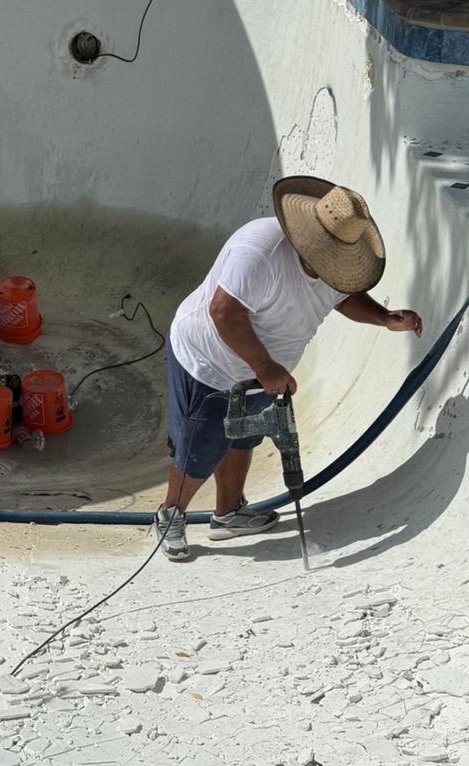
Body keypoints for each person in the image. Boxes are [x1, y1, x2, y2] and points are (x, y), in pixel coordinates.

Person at [155, 175, 422, 561]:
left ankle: (228, 514)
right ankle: (171, 514)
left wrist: (384, 317)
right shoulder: (258, 252)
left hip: (262, 375)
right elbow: (223, 312)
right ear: (306, 240)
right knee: (201, 447)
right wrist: (265, 367)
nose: (334, 269)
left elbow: (343, 296)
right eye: (327, 258)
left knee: (243, 437)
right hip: (207, 360)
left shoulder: (339, 262)